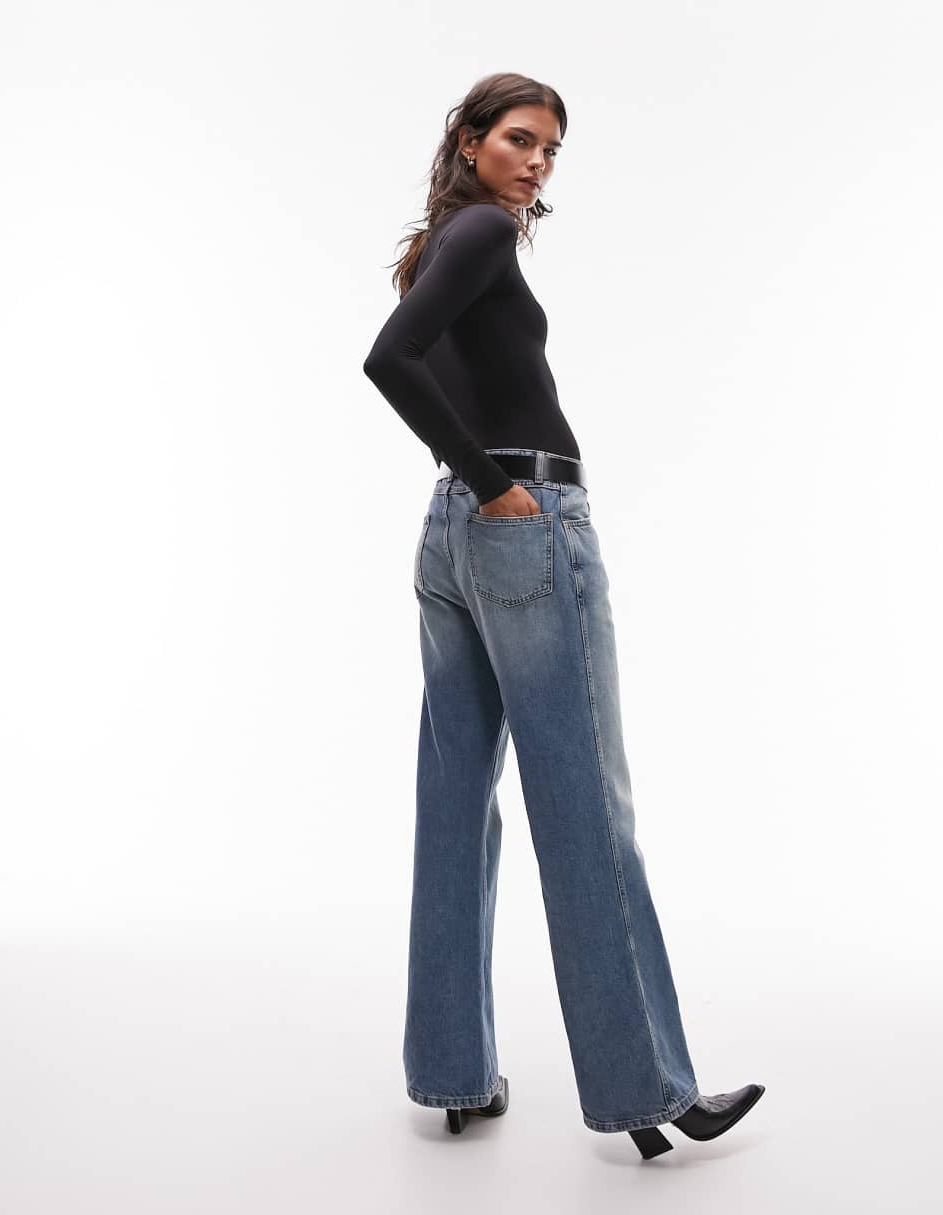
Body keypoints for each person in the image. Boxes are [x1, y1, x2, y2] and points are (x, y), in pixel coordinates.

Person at [362, 72, 764, 1158]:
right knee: (585, 805)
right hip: (520, 526)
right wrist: (498, 486)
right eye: (518, 139)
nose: (535, 162)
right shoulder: (485, 231)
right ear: (469, 140)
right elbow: (389, 360)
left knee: (455, 800)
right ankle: (650, 1090)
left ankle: (453, 1072)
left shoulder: (444, 241)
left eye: (550, 149)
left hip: (450, 537)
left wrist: (469, 486)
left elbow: (409, 357)